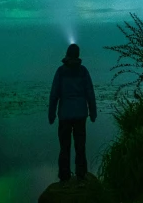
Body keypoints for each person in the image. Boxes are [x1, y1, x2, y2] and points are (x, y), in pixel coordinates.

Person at [48, 43, 97, 185]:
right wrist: (93, 112)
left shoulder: (61, 71)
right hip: (81, 114)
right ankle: (81, 174)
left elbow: (54, 94)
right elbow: (90, 93)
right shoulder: (83, 71)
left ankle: (64, 176)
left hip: (65, 115)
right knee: (80, 145)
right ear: (78, 54)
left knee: (64, 147)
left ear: (67, 54)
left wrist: (51, 114)